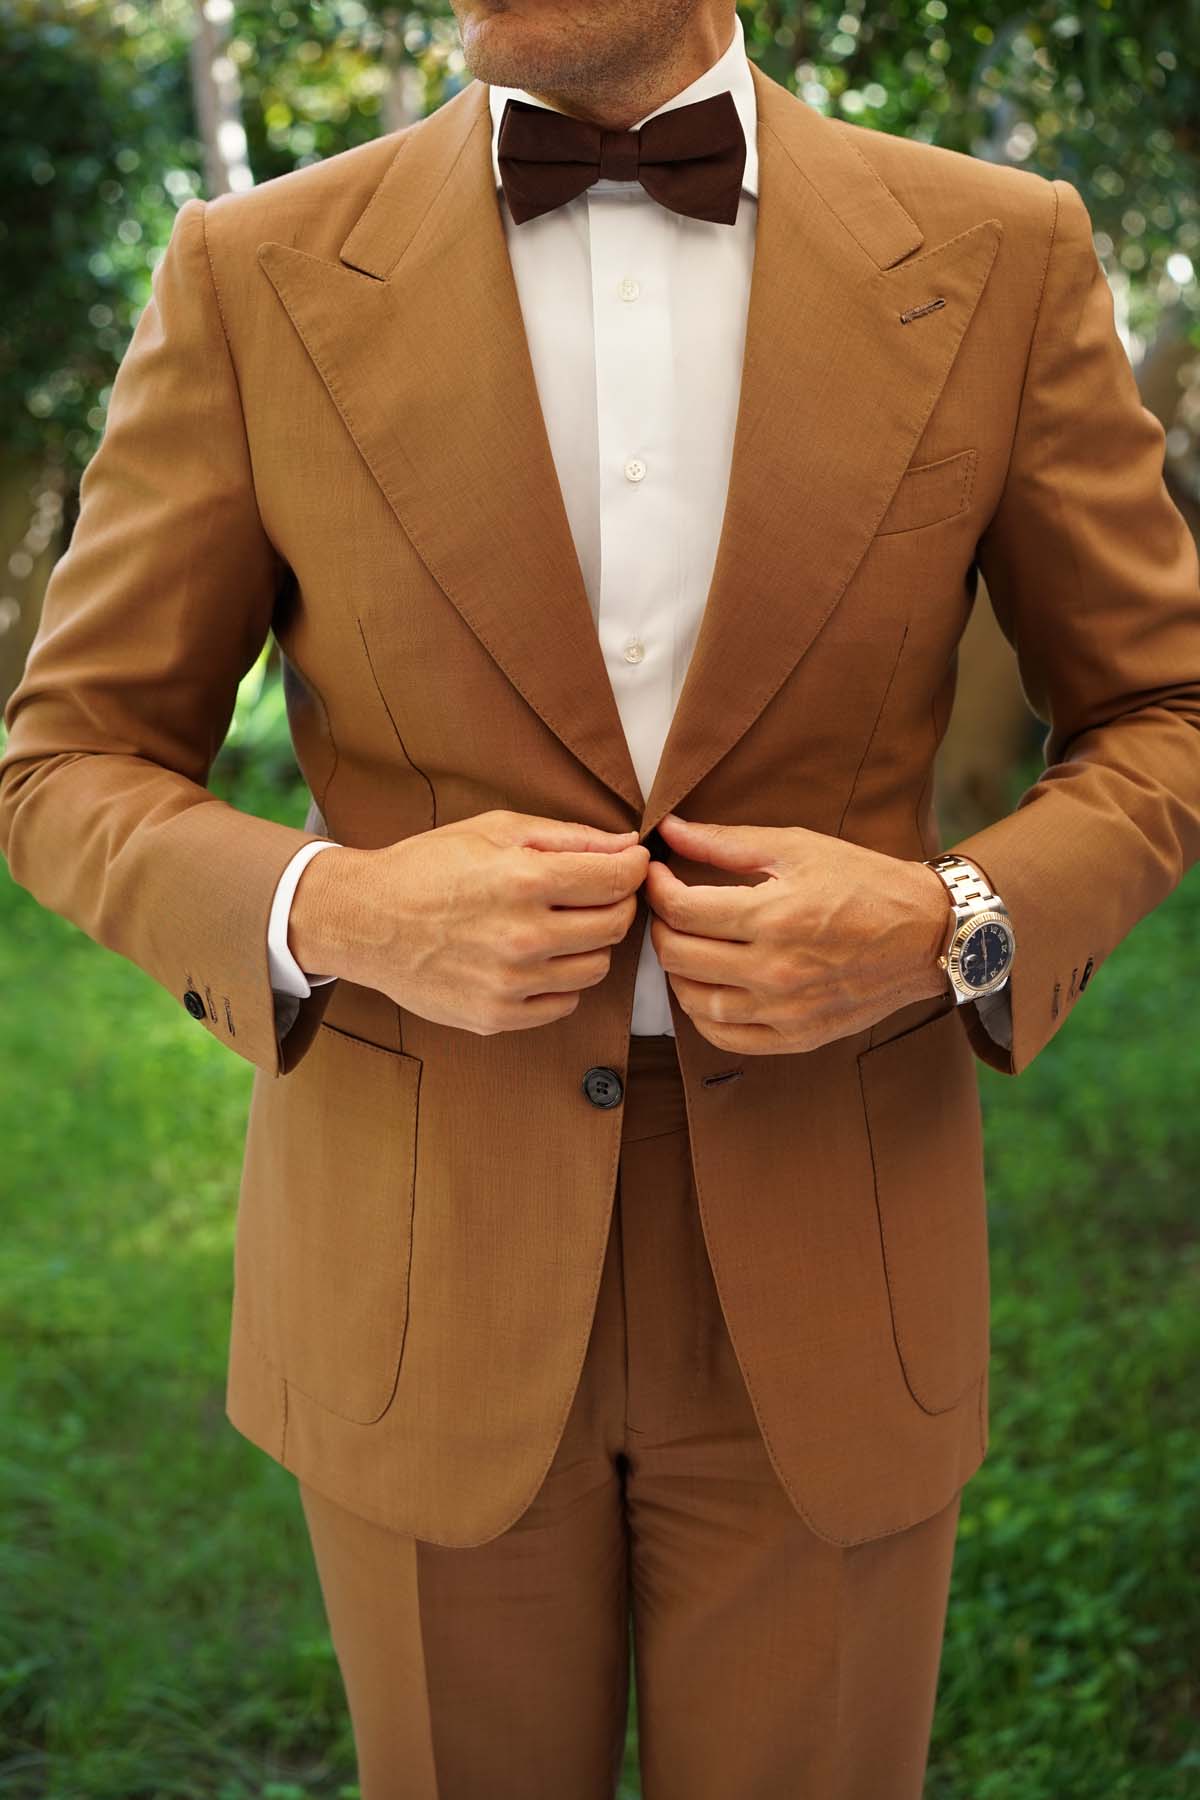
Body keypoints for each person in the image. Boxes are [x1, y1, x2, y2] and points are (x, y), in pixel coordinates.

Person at [2, 1, 1198, 1793]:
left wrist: (953, 918)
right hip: (418, 1266)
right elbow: (66, 762)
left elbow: (1159, 709)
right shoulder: (251, 271)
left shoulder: (999, 252)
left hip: (836, 1246)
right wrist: (339, 910)